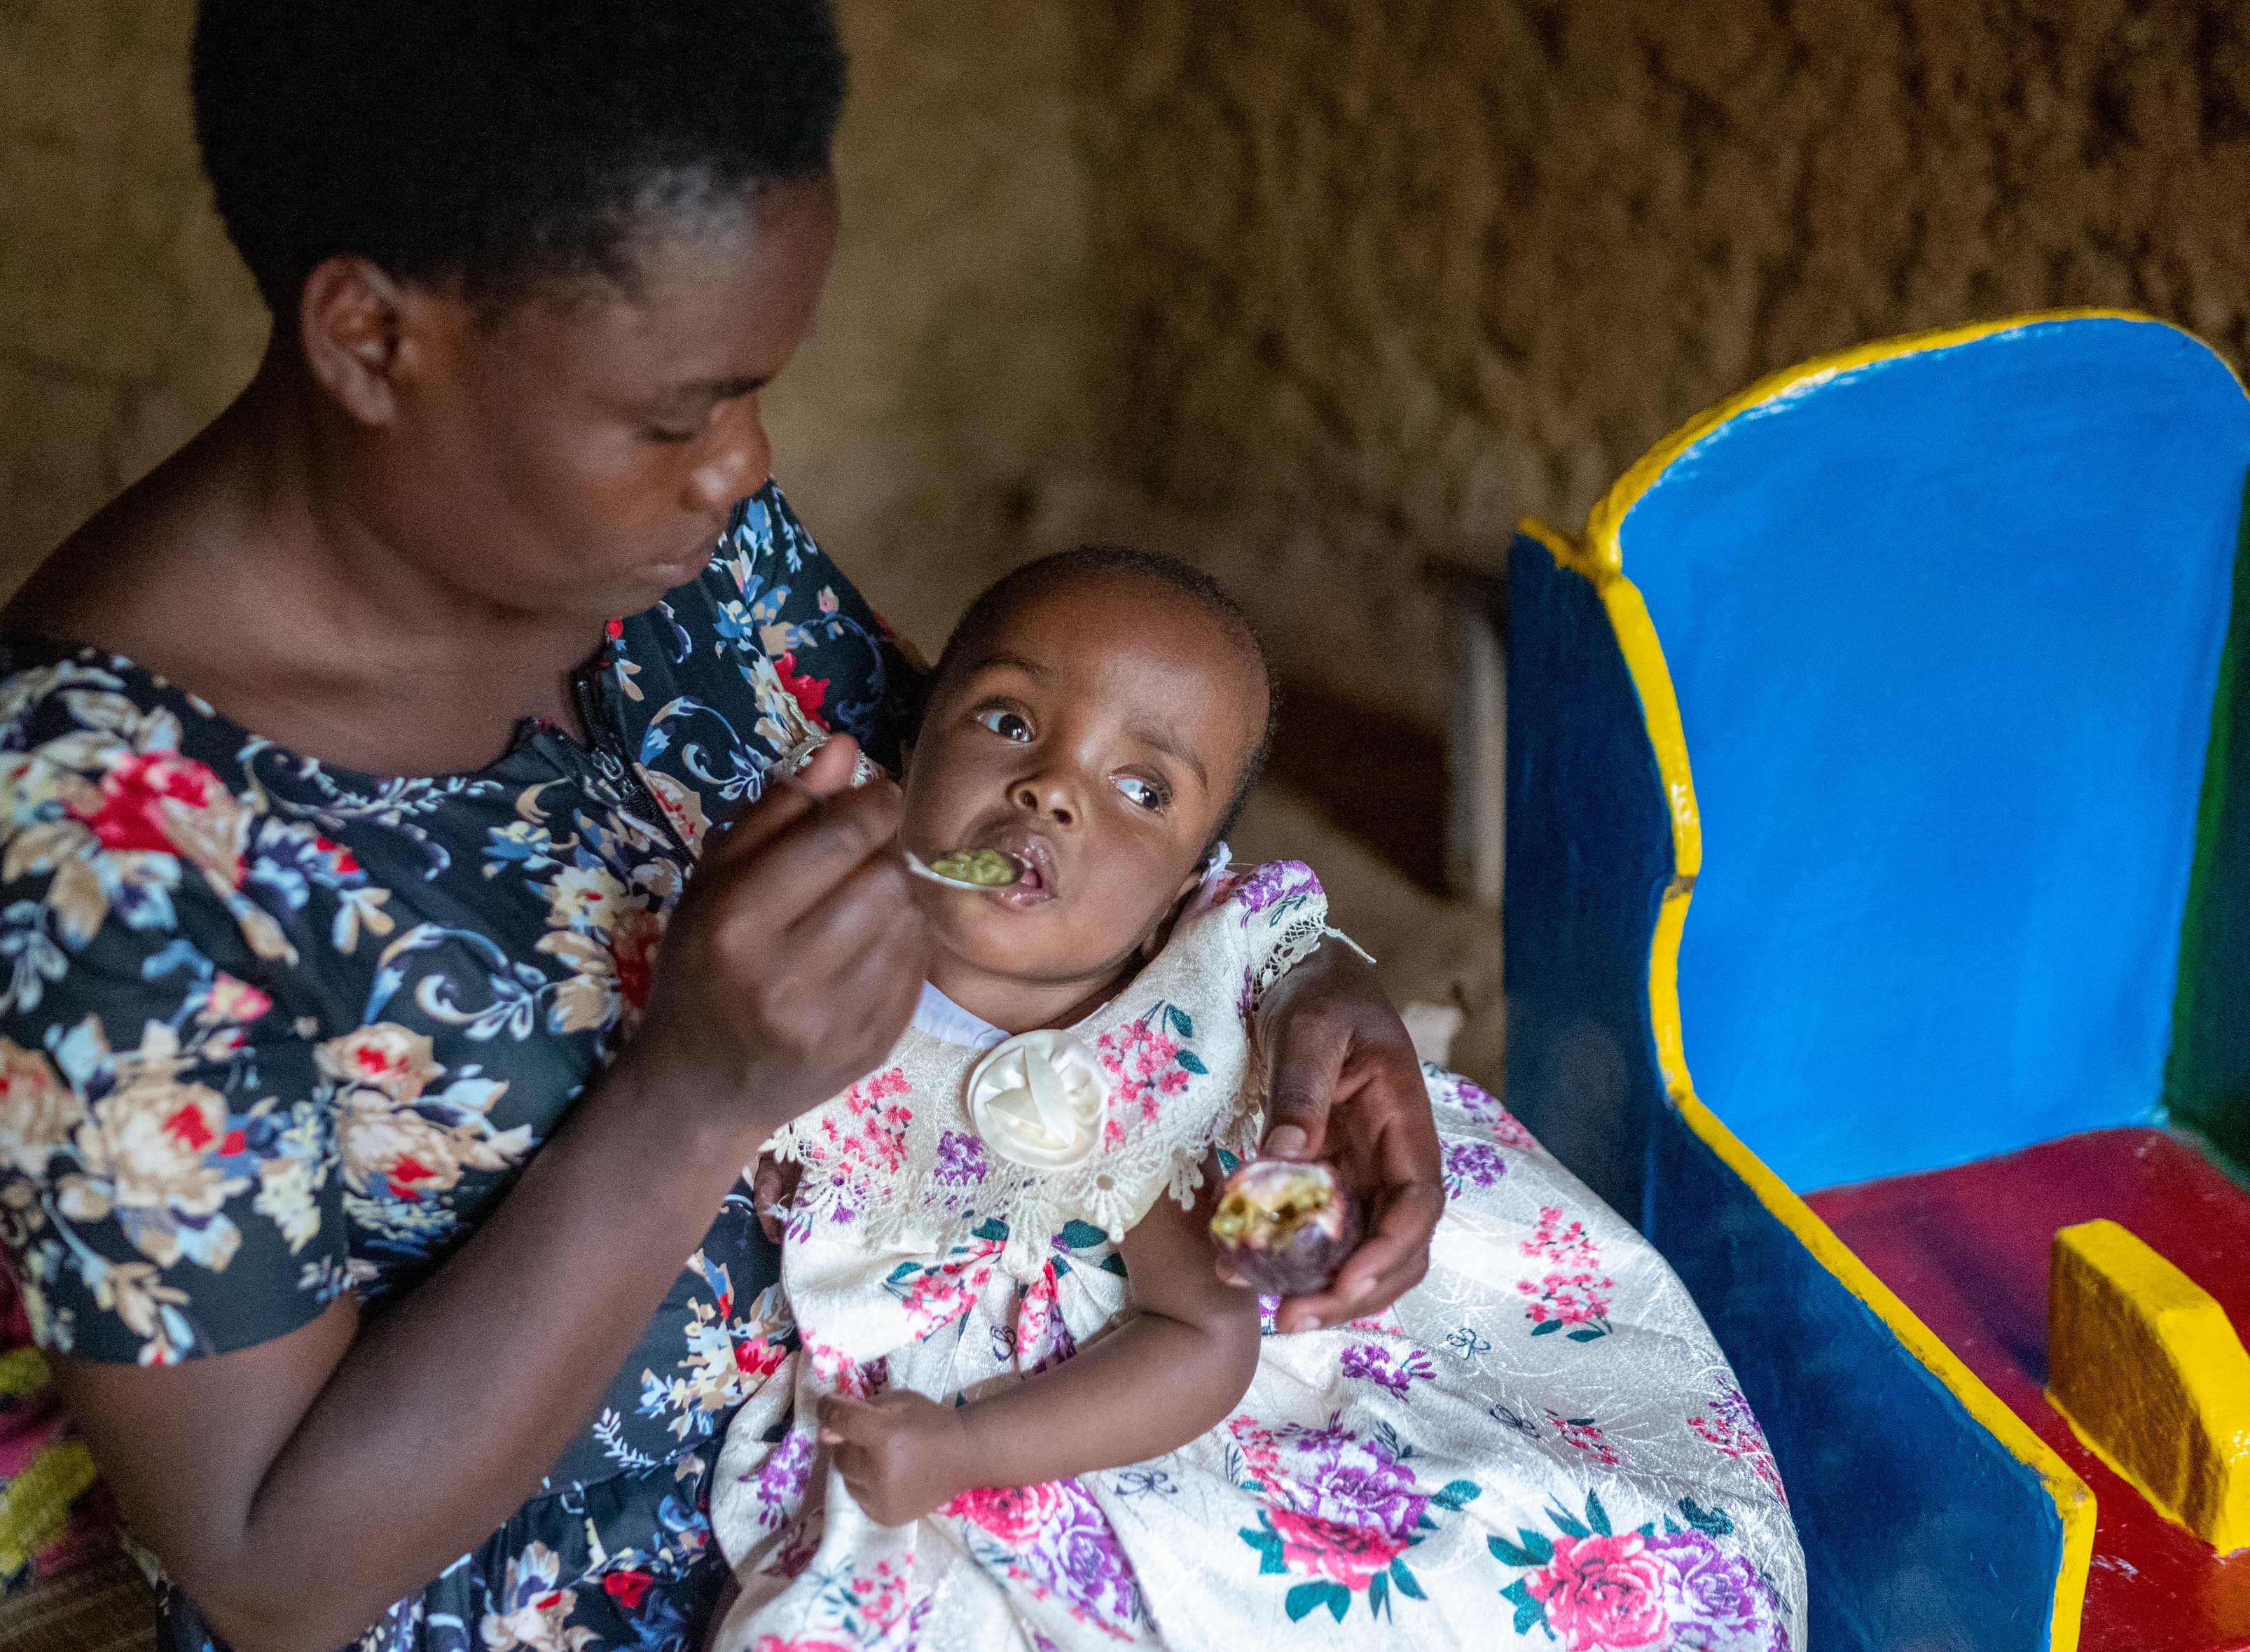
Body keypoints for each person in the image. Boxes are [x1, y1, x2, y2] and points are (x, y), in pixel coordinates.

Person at [0, 0, 1443, 1650]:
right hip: (640, 1570)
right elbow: (267, 1568)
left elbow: (1059, 801)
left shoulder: (655, 537)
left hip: (1006, 1360)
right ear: (373, 337)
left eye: (756, 388)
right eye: (681, 407)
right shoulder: (81, 842)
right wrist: (694, 1094)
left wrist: (1314, 977)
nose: (741, 465)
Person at [709, 549, 1804, 1651]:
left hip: (1040, 1422)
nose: (1053, 788)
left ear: (1181, 889)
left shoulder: (1134, 1057)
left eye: (1142, 791)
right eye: (1005, 721)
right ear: (907, 748)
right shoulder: (801, 927)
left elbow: (1201, 1337)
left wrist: (964, 1450)